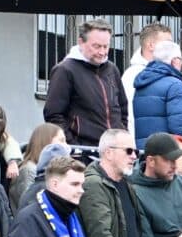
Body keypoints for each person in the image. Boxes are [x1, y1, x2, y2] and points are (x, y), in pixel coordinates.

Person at [42, 19, 125, 148]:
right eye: (96, 46)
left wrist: (123, 136)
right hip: (83, 151)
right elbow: (54, 115)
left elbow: (123, 109)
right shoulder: (65, 70)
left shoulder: (112, 69)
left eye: (106, 46)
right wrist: (74, 147)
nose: (102, 52)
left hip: (114, 151)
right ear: (81, 42)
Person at [129, 132, 182, 237]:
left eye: (175, 159)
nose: (174, 165)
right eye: (168, 160)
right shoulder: (135, 192)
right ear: (151, 161)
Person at [130, 37, 182, 148]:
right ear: (174, 61)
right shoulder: (176, 86)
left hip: (145, 151)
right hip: (168, 154)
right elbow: (181, 125)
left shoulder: (142, 83)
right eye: (180, 59)